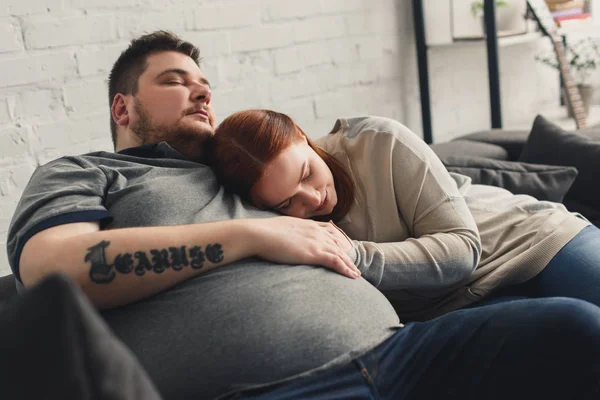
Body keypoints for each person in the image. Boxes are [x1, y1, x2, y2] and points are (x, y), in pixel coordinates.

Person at [6, 30, 600, 400]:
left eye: (205, 83)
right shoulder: (82, 172)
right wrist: (248, 234)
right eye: (175, 81)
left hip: (407, 352)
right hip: (271, 388)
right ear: (123, 105)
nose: (201, 91)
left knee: (575, 330)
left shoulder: (235, 168)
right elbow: (58, 271)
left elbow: (324, 159)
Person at [209, 109, 600, 320]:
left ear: (301, 134)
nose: (311, 200)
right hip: (454, 305)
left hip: (536, 240)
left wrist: (355, 254)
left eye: (307, 172)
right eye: (286, 203)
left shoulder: (377, 141)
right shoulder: (271, 227)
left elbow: (463, 249)